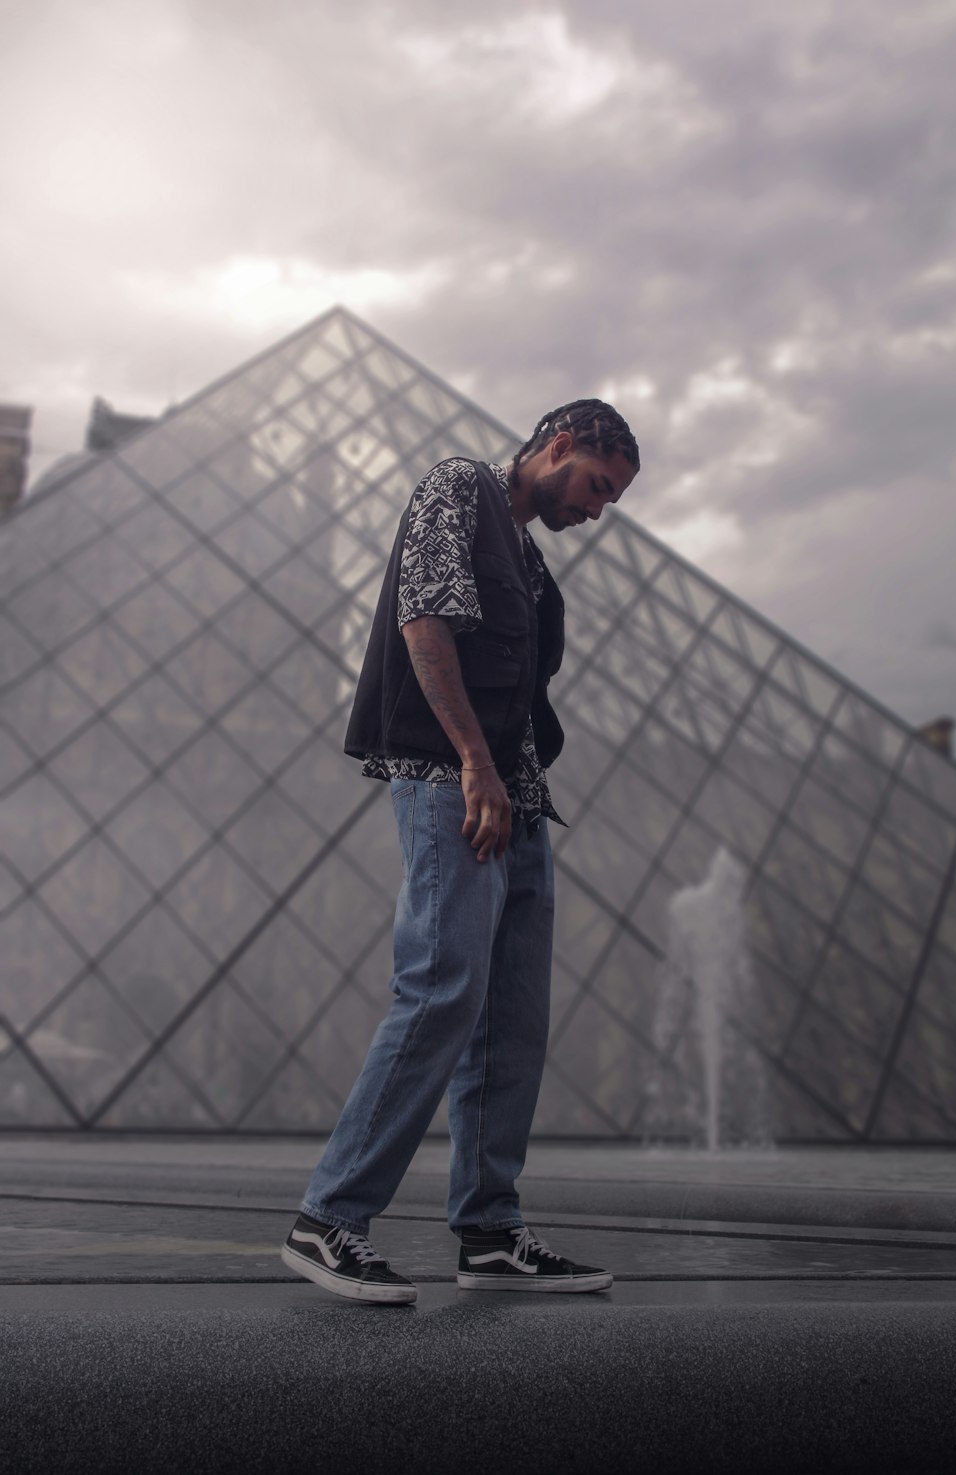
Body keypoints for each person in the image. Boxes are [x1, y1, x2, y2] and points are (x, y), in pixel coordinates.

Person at [281, 400, 640, 1303]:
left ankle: (489, 1229)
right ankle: (329, 1219)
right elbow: (424, 621)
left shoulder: (527, 555)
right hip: (453, 783)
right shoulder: (458, 487)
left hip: (515, 800)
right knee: (441, 986)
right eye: (597, 486)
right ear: (558, 446)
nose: (597, 510)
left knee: (511, 1015)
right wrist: (477, 766)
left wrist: (511, 784)